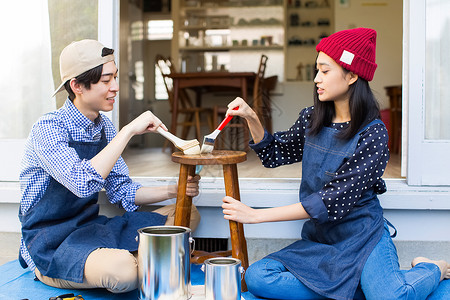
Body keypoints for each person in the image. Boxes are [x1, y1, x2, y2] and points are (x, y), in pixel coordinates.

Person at [221, 28, 450, 299]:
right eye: (317, 71)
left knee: (391, 296)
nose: (317, 79)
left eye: (325, 71)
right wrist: (250, 116)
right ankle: (352, 291)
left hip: (363, 238)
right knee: (258, 277)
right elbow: (274, 153)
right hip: (322, 241)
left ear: (352, 75)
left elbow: (329, 201)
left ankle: (432, 266)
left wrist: (256, 215)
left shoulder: (373, 134)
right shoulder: (312, 119)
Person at [18, 39, 200, 293]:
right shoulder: (48, 129)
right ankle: (148, 262)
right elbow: (83, 184)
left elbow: (123, 191)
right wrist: (127, 132)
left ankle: (143, 263)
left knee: (186, 213)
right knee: (123, 271)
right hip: (52, 244)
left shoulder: (104, 127)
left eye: (115, 77)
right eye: (106, 81)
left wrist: (175, 189)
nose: (115, 87)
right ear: (77, 86)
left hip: (91, 230)